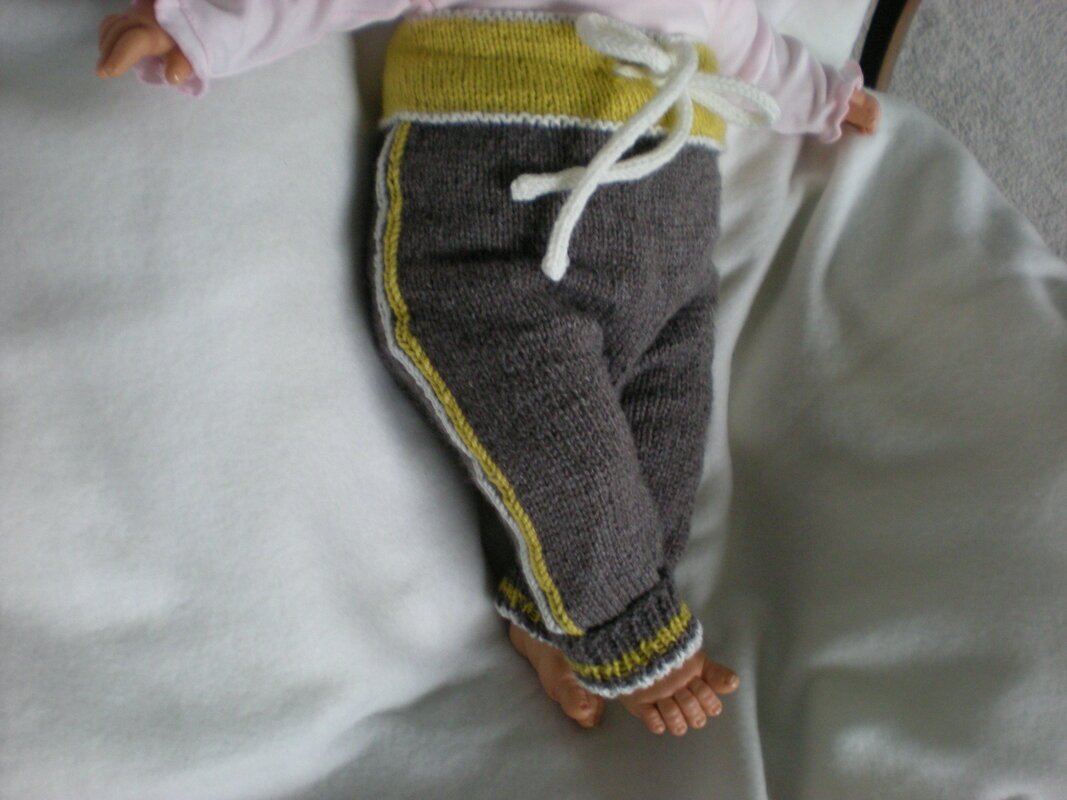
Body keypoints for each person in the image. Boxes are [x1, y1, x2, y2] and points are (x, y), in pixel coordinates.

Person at [95, 0, 880, 738]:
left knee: (658, 465)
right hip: (501, 252)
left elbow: (753, 53)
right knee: (564, 454)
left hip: (672, 277)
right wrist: (201, 25)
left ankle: (547, 620)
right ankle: (624, 624)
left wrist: (820, 97)